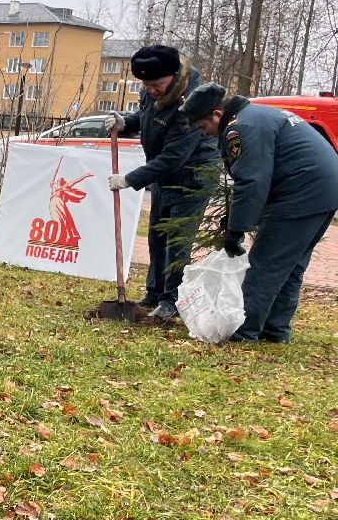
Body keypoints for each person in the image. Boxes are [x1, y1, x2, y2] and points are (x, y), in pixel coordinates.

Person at [181, 81, 338, 343]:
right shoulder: (257, 114)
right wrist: (235, 219)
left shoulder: (239, 128)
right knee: (290, 265)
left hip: (301, 193)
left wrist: (235, 230)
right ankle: (275, 330)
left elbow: (252, 180)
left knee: (265, 265)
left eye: (203, 126)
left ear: (217, 115)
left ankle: (245, 332)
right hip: (325, 190)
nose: (205, 133)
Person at [103, 44, 219, 321]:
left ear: (174, 75)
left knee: (177, 240)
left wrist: (130, 179)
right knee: (157, 235)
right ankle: (154, 293)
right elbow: (149, 118)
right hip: (165, 177)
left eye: (157, 84)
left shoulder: (190, 103)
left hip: (192, 176)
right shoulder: (153, 91)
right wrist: (126, 122)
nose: (151, 89)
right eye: (146, 85)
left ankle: (172, 300)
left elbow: (173, 157)